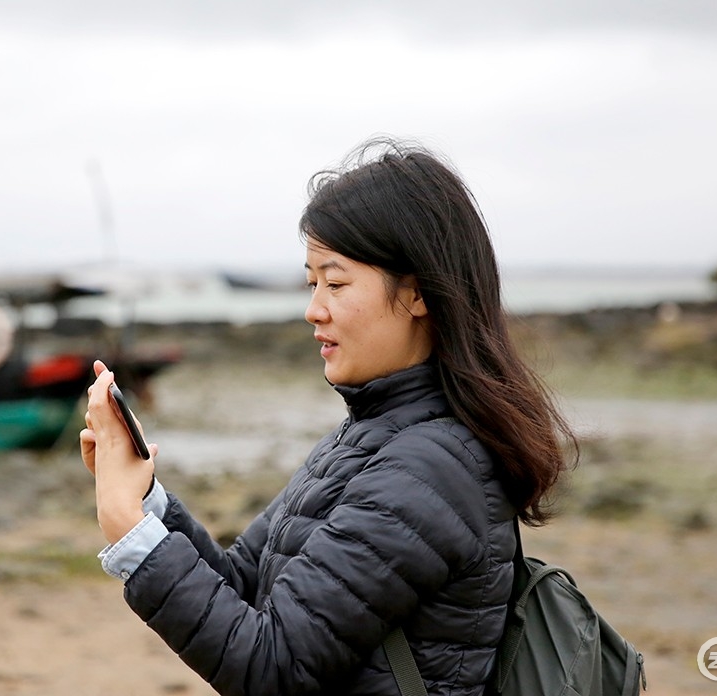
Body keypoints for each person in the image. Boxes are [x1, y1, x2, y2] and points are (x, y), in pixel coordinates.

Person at [80, 138, 576, 695]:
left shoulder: (432, 468)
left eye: (336, 283)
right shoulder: (368, 437)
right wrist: (144, 500)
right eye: (312, 282)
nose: (313, 309)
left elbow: (274, 668)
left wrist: (130, 532)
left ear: (418, 293)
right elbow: (244, 585)